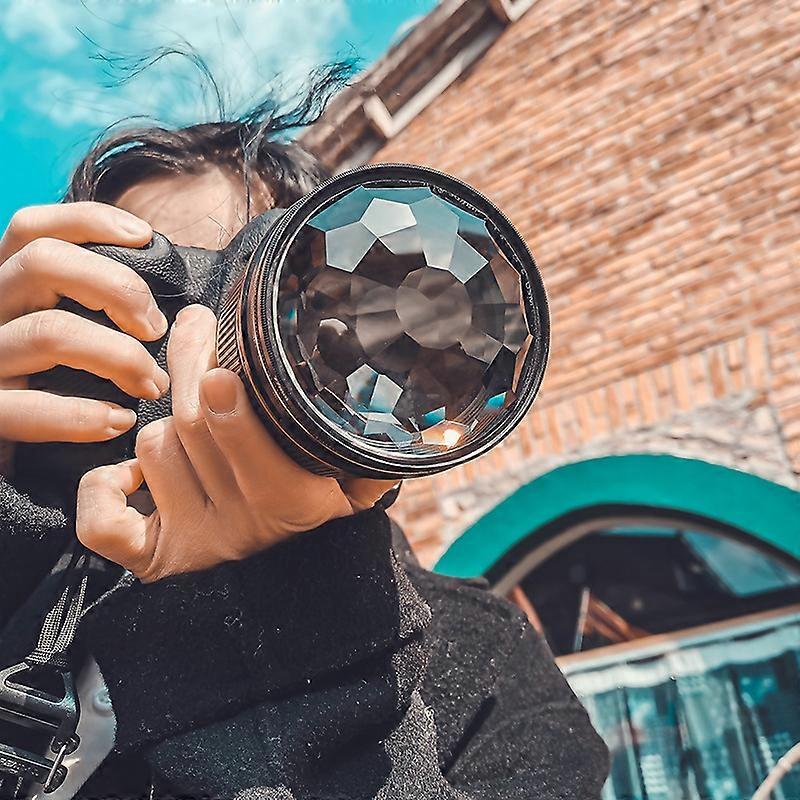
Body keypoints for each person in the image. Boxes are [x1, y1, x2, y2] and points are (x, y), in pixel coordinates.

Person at [0, 68, 609, 799]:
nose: (217, 340)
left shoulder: (479, 660)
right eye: (161, 296)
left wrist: (283, 640)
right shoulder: (24, 578)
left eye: (304, 297)